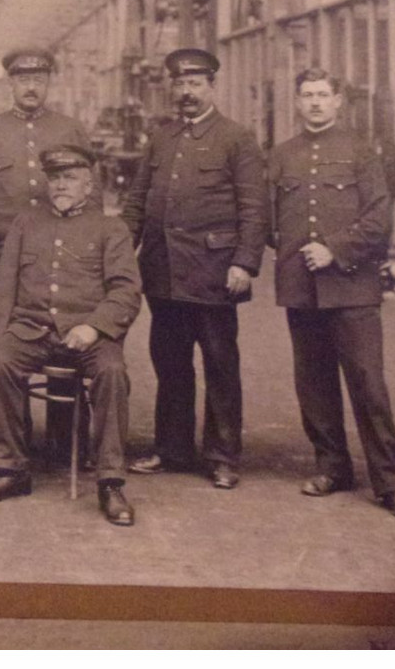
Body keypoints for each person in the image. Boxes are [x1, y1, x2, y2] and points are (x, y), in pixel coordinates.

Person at [269, 68, 395, 520]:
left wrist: (334, 250)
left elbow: (379, 220)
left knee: (368, 385)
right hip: (301, 287)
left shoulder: (362, 153)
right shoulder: (280, 156)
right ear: (297, 103)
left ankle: (391, 484)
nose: (315, 103)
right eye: (307, 95)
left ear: (338, 101)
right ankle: (332, 466)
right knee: (313, 385)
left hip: (353, 288)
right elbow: (270, 223)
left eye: (323, 94)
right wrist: (295, 252)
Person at [0, 145, 142, 527]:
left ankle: (110, 482)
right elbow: (4, 291)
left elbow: (126, 291)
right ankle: (11, 469)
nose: (61, 185)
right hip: (31, 330)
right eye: (55, 178)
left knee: (113, 374)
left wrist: (93, 327)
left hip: (89, 333)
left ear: (88, 184)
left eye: (70, 178)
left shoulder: (110, 228)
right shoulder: (26, 223)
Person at [122, 47, 266, 489]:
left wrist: (244, 262)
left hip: (214, 272)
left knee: (220, 364)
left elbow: (254, 208)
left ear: (211, 86)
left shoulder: (237, 138)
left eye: (195, 84)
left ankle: (222, 455)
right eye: (180, 85)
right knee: (170, 363)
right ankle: (172, 448)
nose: (186, 92)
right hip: (162, 272)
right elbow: (137, 201)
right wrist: (118, 252)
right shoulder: (161, 138)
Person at [0, 48, 96, 452]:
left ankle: (65, 441)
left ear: (49, 83)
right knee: (7, 344)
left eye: (38, 79)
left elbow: (93, 191)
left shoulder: (69, 128)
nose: (31, 86)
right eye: (23, 80)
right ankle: (11, 442)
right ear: (11, 84)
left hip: (65, 254)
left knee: (65, 334)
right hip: (7, 258)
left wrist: (92, 250)